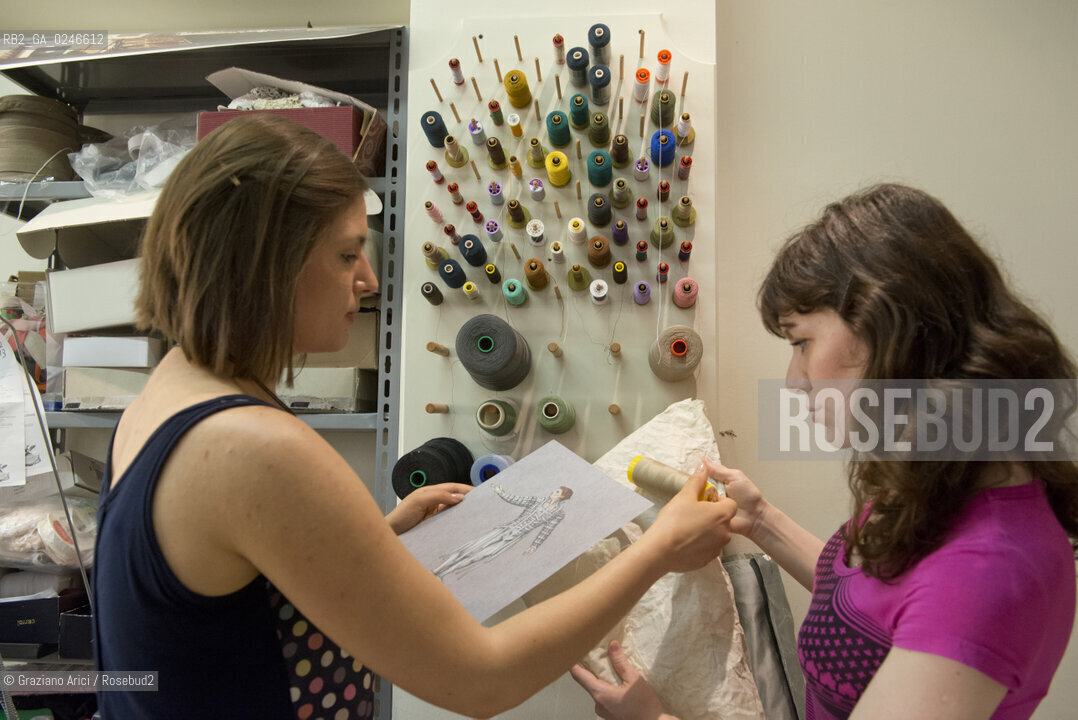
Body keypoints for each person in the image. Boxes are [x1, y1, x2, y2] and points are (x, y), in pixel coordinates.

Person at [91, 113, 739, 720]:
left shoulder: (166, 396)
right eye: (347, 255)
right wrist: (659, 549)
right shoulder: (249, 446)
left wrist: (377, 540)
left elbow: (226, 603)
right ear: (266, 264)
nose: (368, 279)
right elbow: (479, 679)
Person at [571, 183, 1078, 720]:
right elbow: (868, 609)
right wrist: (761, 520)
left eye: (801, 341)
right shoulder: (949, 475)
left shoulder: (988, 572)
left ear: (888, 325)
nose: (794, 383)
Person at [433, 485, 572, 579]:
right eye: (555, 490)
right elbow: (517, 500)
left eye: (557, 492)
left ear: (562, 497)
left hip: (515, 537)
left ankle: (443, 574)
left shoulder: (558, 514)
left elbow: (546, 531)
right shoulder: (537, 500)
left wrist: (534, 546)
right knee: (470, 549)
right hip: (506, 529)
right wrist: (501, 493)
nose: (553, 492)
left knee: (479, 556)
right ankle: (436, 571)